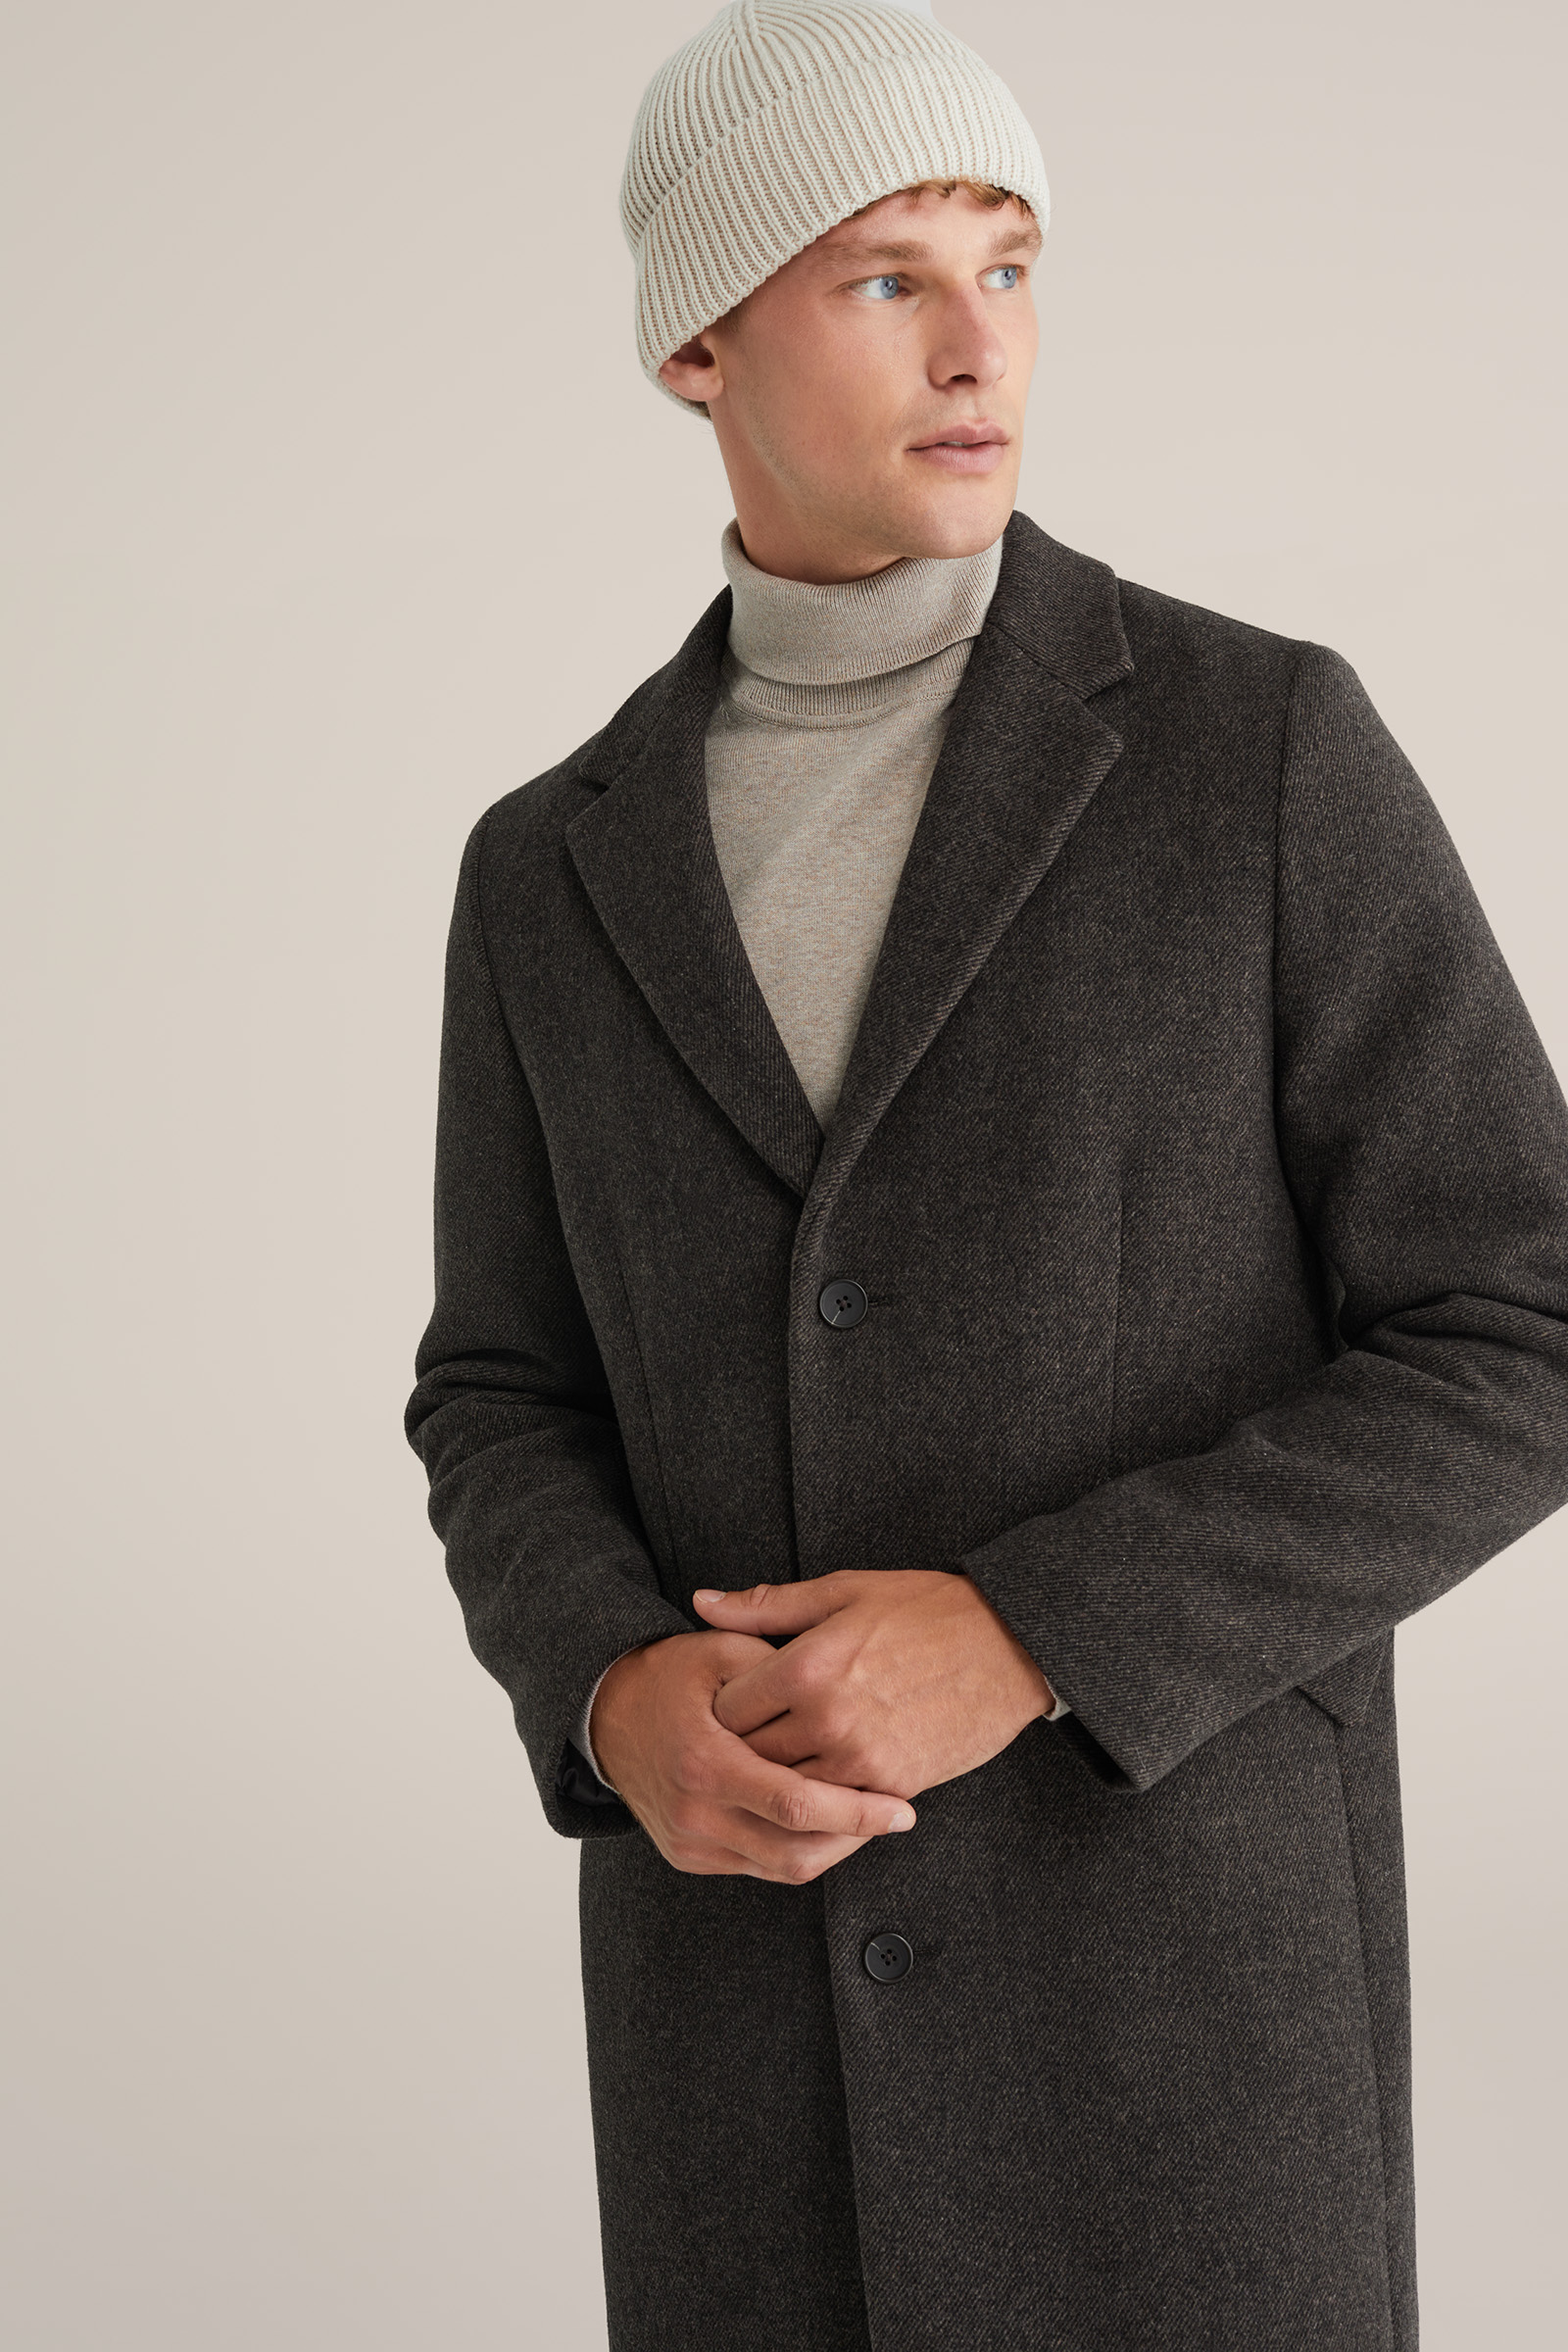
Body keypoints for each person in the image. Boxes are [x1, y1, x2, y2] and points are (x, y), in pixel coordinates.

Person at [406, 4, 1568, 2345]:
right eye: (883, 278)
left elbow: (1522, 1316)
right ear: (697, 346)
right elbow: (502, 1388)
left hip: (1181, 2011)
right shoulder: (550, 865)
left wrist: (1044, 1630)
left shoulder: (1252, 749)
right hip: (739, 2036)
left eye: (1010, 267)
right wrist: (609, 1687)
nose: (978, 347)